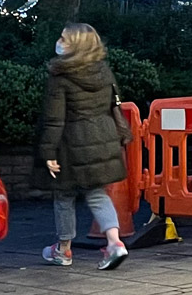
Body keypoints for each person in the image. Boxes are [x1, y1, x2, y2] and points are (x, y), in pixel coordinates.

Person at [36, 23, 132, 270]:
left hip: (72, 142)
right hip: (103, 138)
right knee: (97, 193)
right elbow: (114, 104)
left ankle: (63, 249)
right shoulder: (104, 71)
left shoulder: (61, 75)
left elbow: (55, 118)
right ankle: (114, 243)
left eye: (64, 39)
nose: (59, 42)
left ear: (75, 46)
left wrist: (48, 152)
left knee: (64, 194)